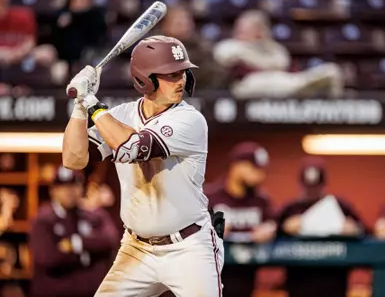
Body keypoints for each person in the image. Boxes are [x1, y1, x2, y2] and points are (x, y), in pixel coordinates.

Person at [62, 35, 224, 296]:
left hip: (189, 248)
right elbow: (73, 159)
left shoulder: (190, 120)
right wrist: (80, 107)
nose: (180, 80)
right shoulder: (119, 115)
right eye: (170, 74)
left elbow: (132, 148)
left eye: (182, 72)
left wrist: (93, 103)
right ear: (144, 79)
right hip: (137, 249)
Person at [277, 156, 365, 297]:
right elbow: (271, 233)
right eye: (307, 187)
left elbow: (364, 231)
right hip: (300, 285)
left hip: (333, 284)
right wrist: (284, 228)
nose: (311, 192)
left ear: (324, 185)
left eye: (316, 187)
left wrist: (353, 229)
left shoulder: (340, 206)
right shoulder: (290, 209)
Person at [29, 165, 119, 297]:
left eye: (74, 185)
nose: (69, 191)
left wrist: (76, 244)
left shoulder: (93, 215)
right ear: (53, 190)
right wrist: (88, 254)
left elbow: (111, 240)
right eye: (63, 187)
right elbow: (48, 258)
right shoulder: (42, 220)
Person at [213, 9, 344, 99]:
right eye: (240, 28)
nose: (240, 32)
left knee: (331, 70)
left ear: (260, 30)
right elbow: (225, 62)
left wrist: (263, 47)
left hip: (284, 80)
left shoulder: (275, 49)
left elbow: (287, 67)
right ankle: (301, 89)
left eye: (247, 29)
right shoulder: (229, 47)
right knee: (263, 81)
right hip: (250, 85)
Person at [206, 141, 276, 297]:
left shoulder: (261, 201)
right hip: (212, 279)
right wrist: (211, 228)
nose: (260, 175)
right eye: (254, 168)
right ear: (237, 166)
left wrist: (270, 227)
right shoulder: (210, 197)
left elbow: (275, 222)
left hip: (245, 280)